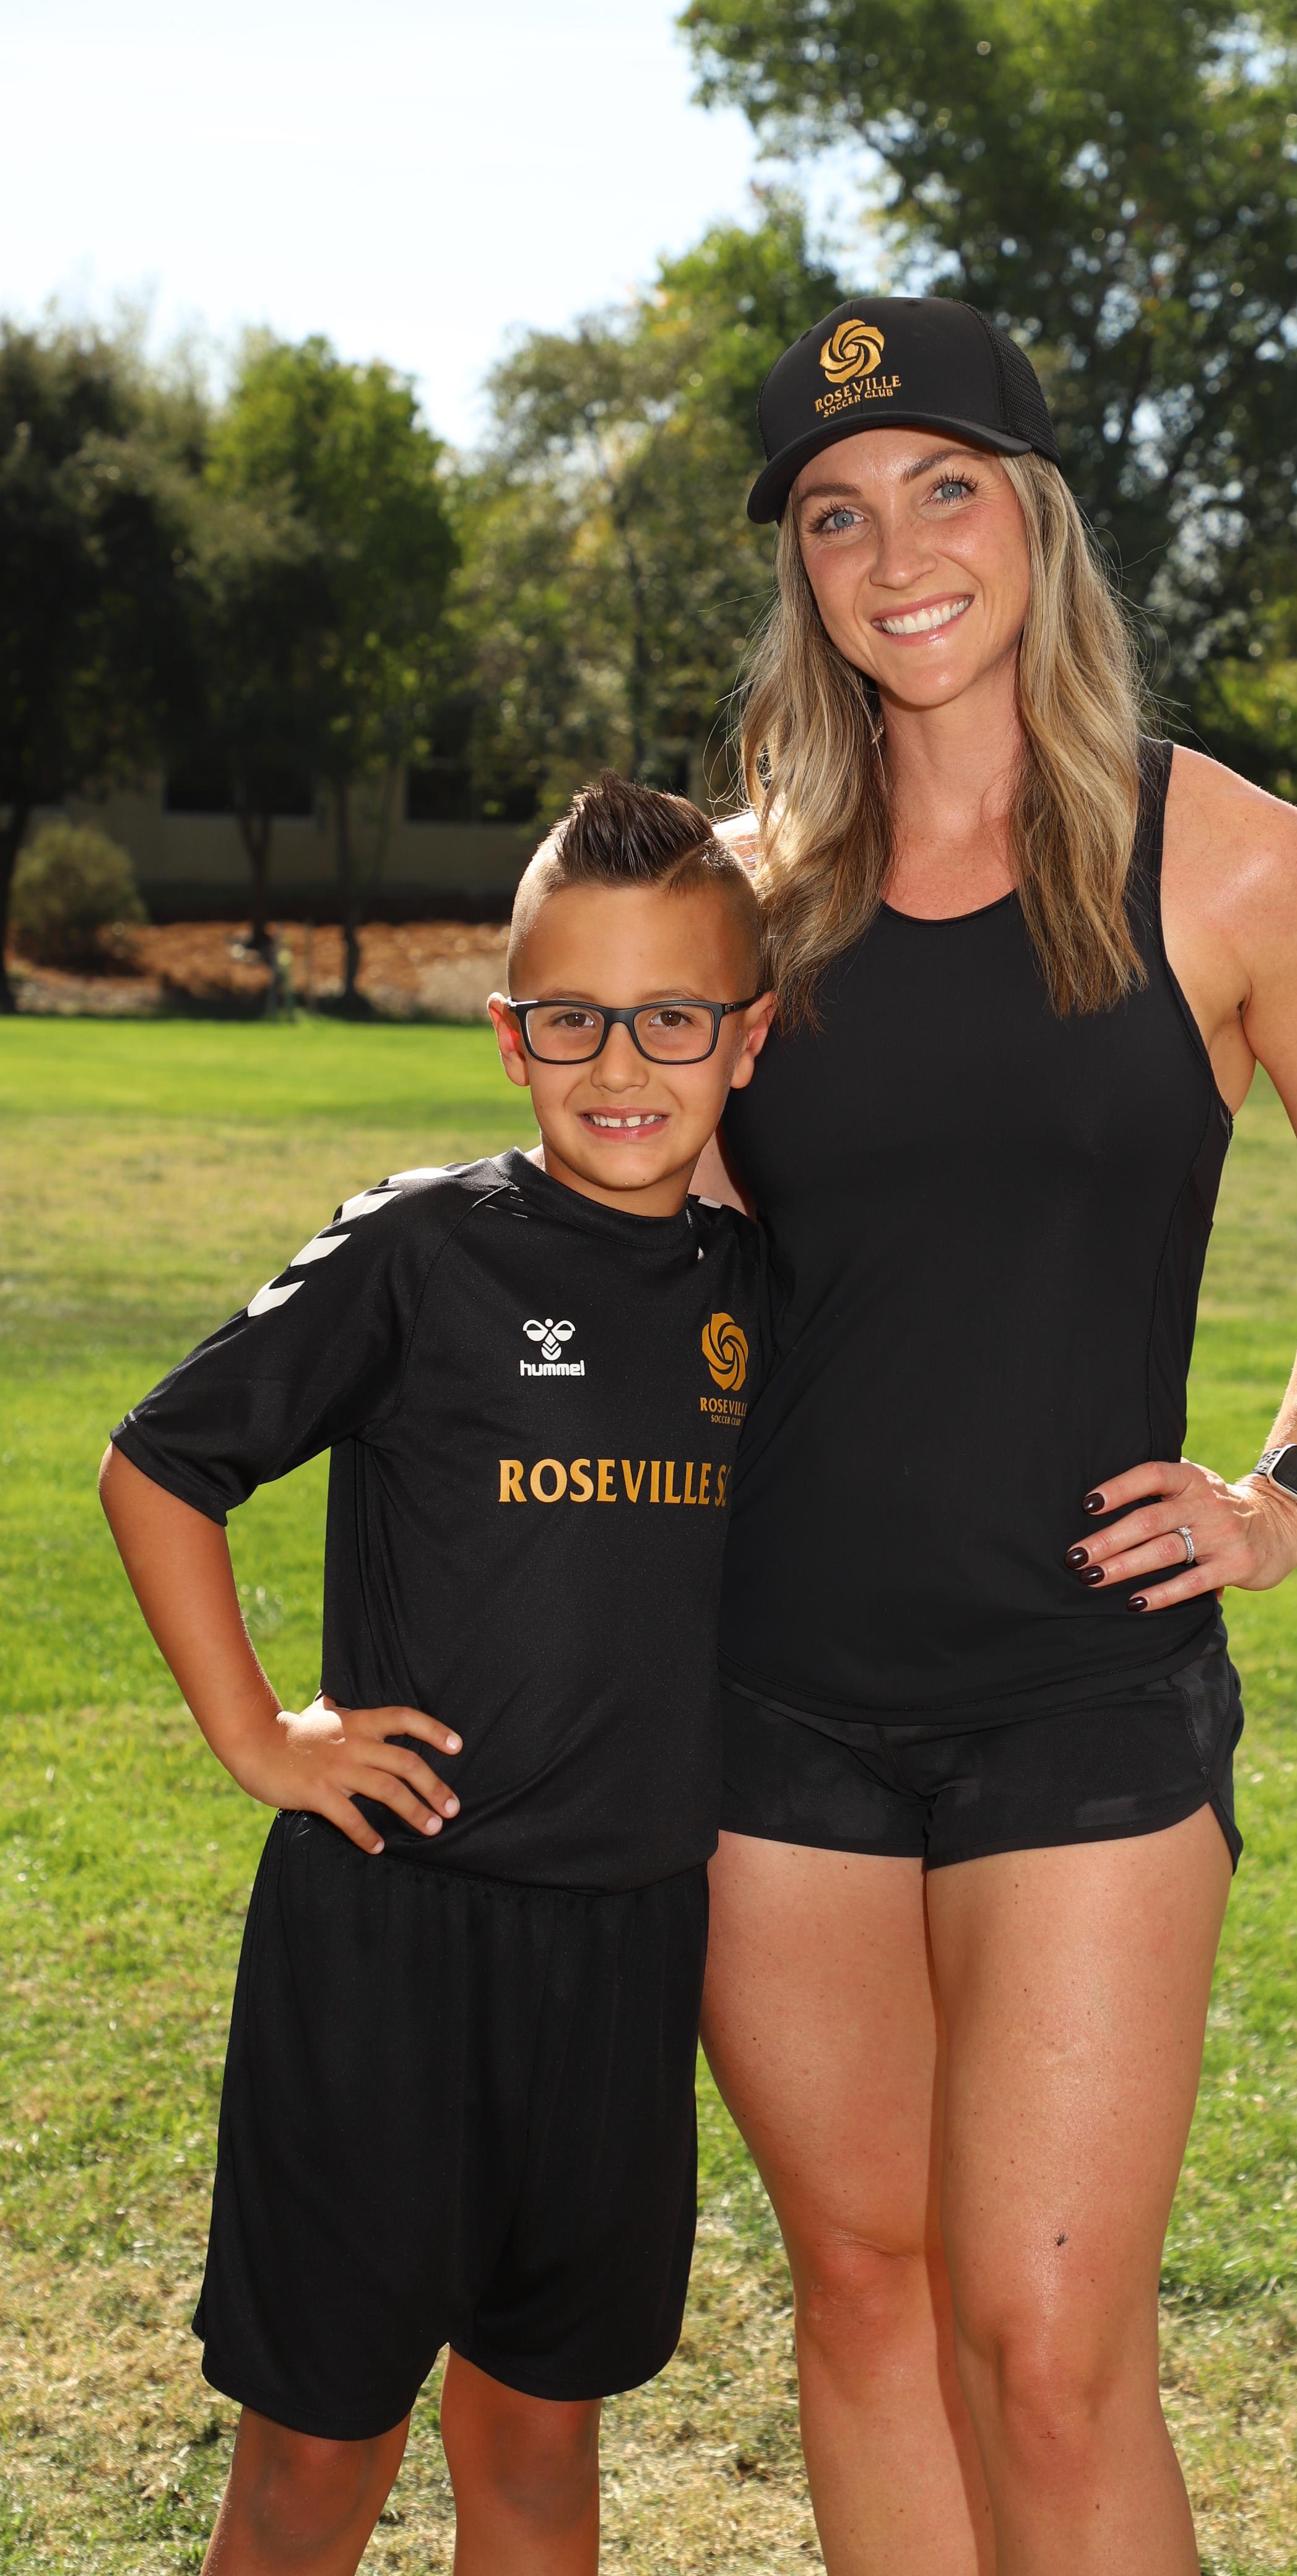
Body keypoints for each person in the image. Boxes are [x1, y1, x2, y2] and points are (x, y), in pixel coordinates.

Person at [693, 297, 1297, 2576]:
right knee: (866, 2293)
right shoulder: (745, 896)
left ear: (1034, 518)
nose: (896, 552)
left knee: (1045, 2344)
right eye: (838, 516)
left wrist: (1288, 1489)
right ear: (801, 571)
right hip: (770, 1701)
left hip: (1081, 1696)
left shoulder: (1231, 862)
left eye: (945, 490)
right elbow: (651, 1247)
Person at [98, 774, 774, 2576]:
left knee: (542, 2443)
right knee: (320, 2457)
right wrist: (262, 1734)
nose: (619, 1064)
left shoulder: (757, 1290)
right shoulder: (421, 1250)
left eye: (675, 1019)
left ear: (749, 1038)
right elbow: (159, 1468)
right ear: (507, 1034)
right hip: (389, 1945)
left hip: (625, 1946)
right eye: (571, 1019)